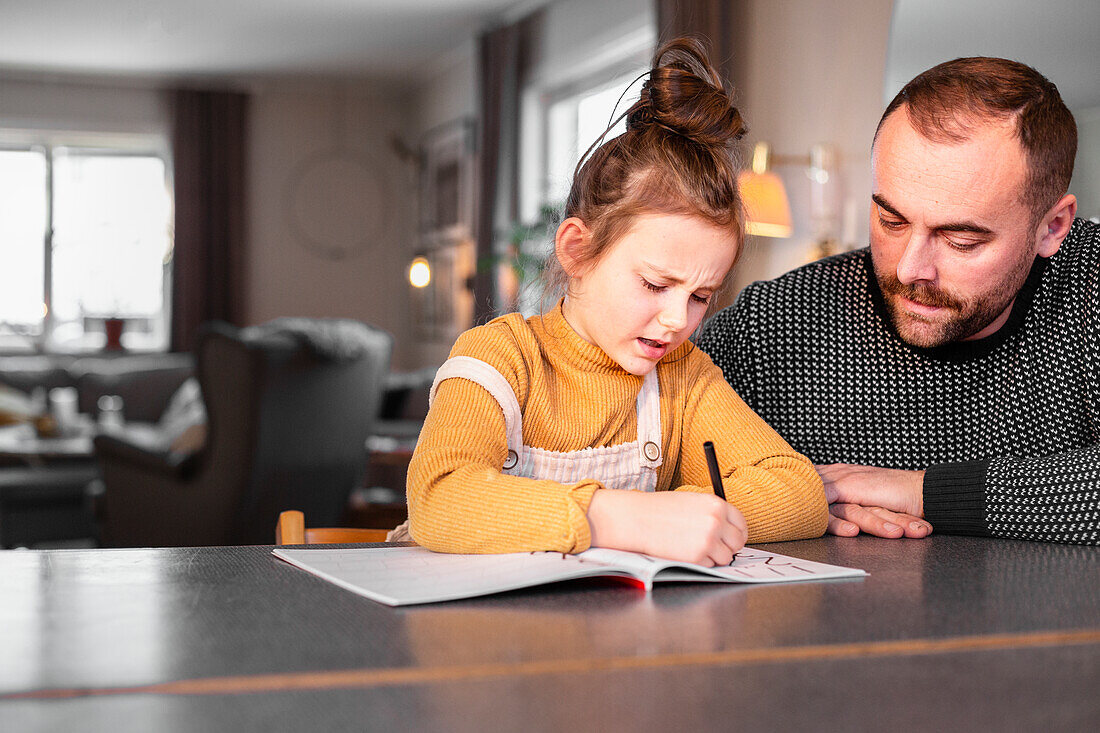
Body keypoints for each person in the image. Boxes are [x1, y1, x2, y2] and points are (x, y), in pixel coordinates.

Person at [401, 38, 828, 565]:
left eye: (700, 296)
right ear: (577, 250)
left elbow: (799, 491)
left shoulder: (682, 377)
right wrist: (624, 519)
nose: (677, 321)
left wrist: (690, 511)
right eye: (654, 285)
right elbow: (440, 499)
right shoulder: (500, 358)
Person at [698, 56, 1098, 545]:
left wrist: (921, 492)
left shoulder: (1089, 280)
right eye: (891, 220)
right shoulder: (770, 325)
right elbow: (642, 461)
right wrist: (782, 506)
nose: (910, 269)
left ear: (1052, 227)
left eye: (962, 241)